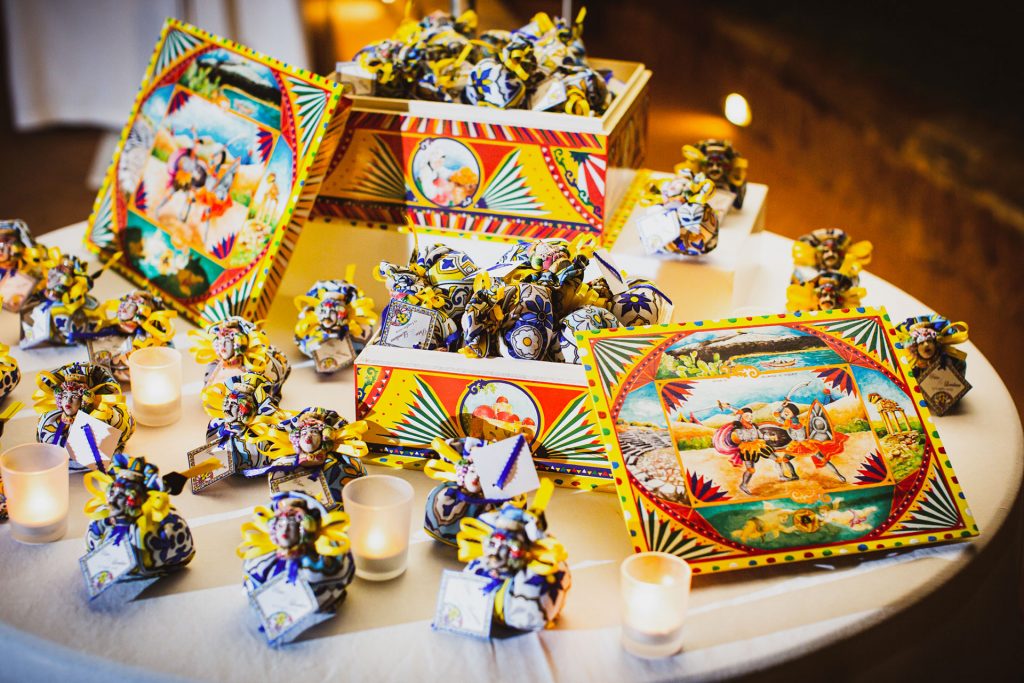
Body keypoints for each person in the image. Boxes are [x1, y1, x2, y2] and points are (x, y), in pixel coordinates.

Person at [774, 401, 848, 483]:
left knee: (823, 459)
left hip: (806, 444)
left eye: (788, 411)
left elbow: (812, 427)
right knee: (785, 459)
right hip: (795, 445)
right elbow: (776, 414)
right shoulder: (787, 422)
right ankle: (794, 476)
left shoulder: (801, 421)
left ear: (794, 413)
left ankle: (839, 475)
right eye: (785, 411)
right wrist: (782, 406)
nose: (785, 413)